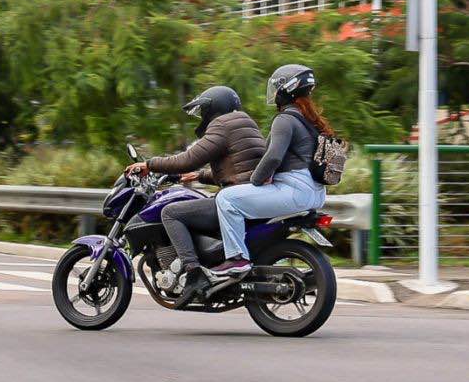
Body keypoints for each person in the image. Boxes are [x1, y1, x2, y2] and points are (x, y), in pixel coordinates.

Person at [124, 86, 265, 306]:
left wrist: (149, 165)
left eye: (203, 112)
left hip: (235, 198)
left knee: (170, 212)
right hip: (252, 196)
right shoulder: (246, 123)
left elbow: (189, 158)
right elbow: (238, 169)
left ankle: (193, 273)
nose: (202, 118)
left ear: (214, 109)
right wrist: (200, 176)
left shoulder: (221, 124)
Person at [212, 64, 331, 275]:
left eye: (277, 87)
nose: (274, 93)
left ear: (287, 89)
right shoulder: (311, 121)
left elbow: (273, 156)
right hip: (316, 194)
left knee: (226, 198)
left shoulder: (284, 119)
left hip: (294, 190)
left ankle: (237, 259)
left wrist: (256, 180)